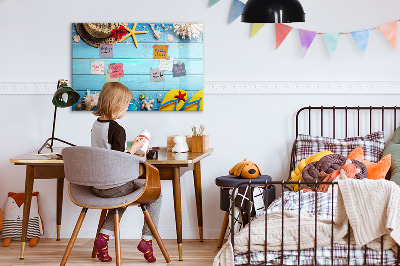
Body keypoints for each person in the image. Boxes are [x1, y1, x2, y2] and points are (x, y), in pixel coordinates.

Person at [90, 82, 161, 263]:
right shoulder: (117, 129)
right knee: (155, 194)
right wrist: (136, 148)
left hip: (97, 186)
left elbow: (108, 154)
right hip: (114, 186)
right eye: (126, 104)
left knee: (122, 197)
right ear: (117, 104)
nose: (127, 108)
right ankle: (147, 240)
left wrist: (130, 149)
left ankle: (103, 238)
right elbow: (120, 161)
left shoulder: (96, 125)